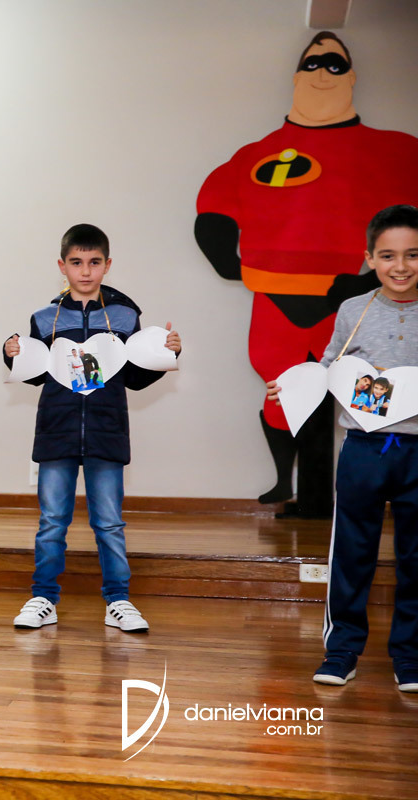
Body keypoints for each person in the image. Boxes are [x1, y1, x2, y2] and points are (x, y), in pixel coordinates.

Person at [195, 31, 418, 519]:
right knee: (284, 389)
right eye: (313, 64)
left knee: (362, 391)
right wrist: (224, 249)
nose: (322, 74)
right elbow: (218, 199)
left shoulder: (396, 150)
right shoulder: (258, 153)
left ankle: (367, 491)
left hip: (356, 297)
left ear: (351, 77)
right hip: (276, 295)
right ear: (297, 76)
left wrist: (372, 279)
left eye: (334, 65)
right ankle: (296, 487)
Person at [267, 204, 418, 692]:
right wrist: (292, 386)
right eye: (388, 255)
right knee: (352, 552)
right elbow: (329, 369)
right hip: (363, 449)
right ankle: (342, 651)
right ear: (370, 258)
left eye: (413, 255)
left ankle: (411, 657)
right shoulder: (354, 310)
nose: (400, 266)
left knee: (416, 557)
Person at [3, 224, 181, 634]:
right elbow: (37, 373)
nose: (85, 271)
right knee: (52, 522)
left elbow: (135, 377)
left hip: (106, 432)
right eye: (77, 262)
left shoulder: (125, 316)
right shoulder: (43, 318)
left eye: (94, 262)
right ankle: (44, 598)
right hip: (56, 432)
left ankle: (118, 600)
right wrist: (12, 354)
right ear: (62, 266)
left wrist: (167, 354)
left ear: (107, 265)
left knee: (109, 523)